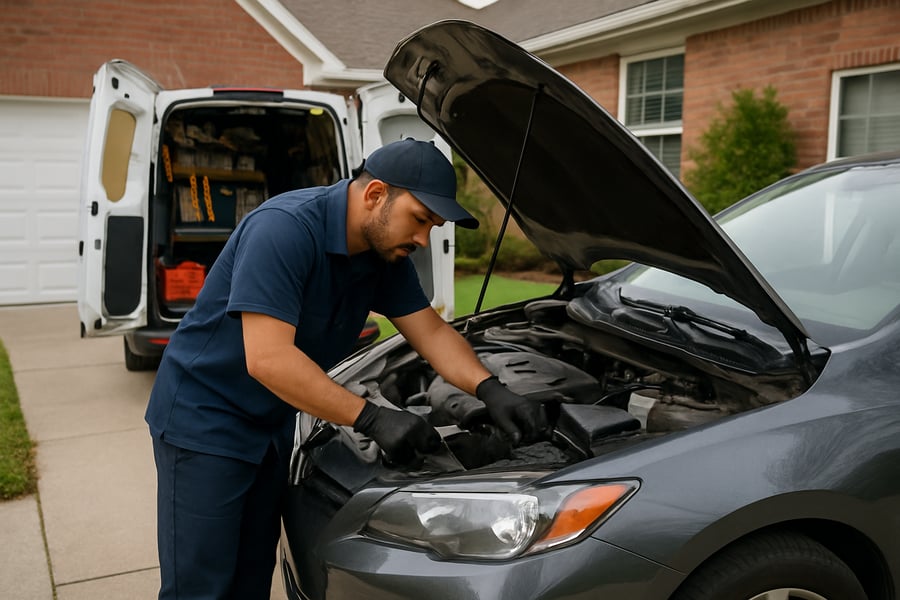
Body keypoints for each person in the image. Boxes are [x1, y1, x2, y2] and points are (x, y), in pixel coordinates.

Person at [144, 138, 548, 599]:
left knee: (251, 579)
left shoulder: (383, 254)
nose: (423, 239)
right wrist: (371, 417)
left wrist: (491, 389)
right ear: (375, 194)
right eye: (420, 219)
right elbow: (268, 359)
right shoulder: (284, 230)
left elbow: (432, 333)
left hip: (271, 425)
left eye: (433, 227)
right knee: (200, 588)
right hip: (204, 420)